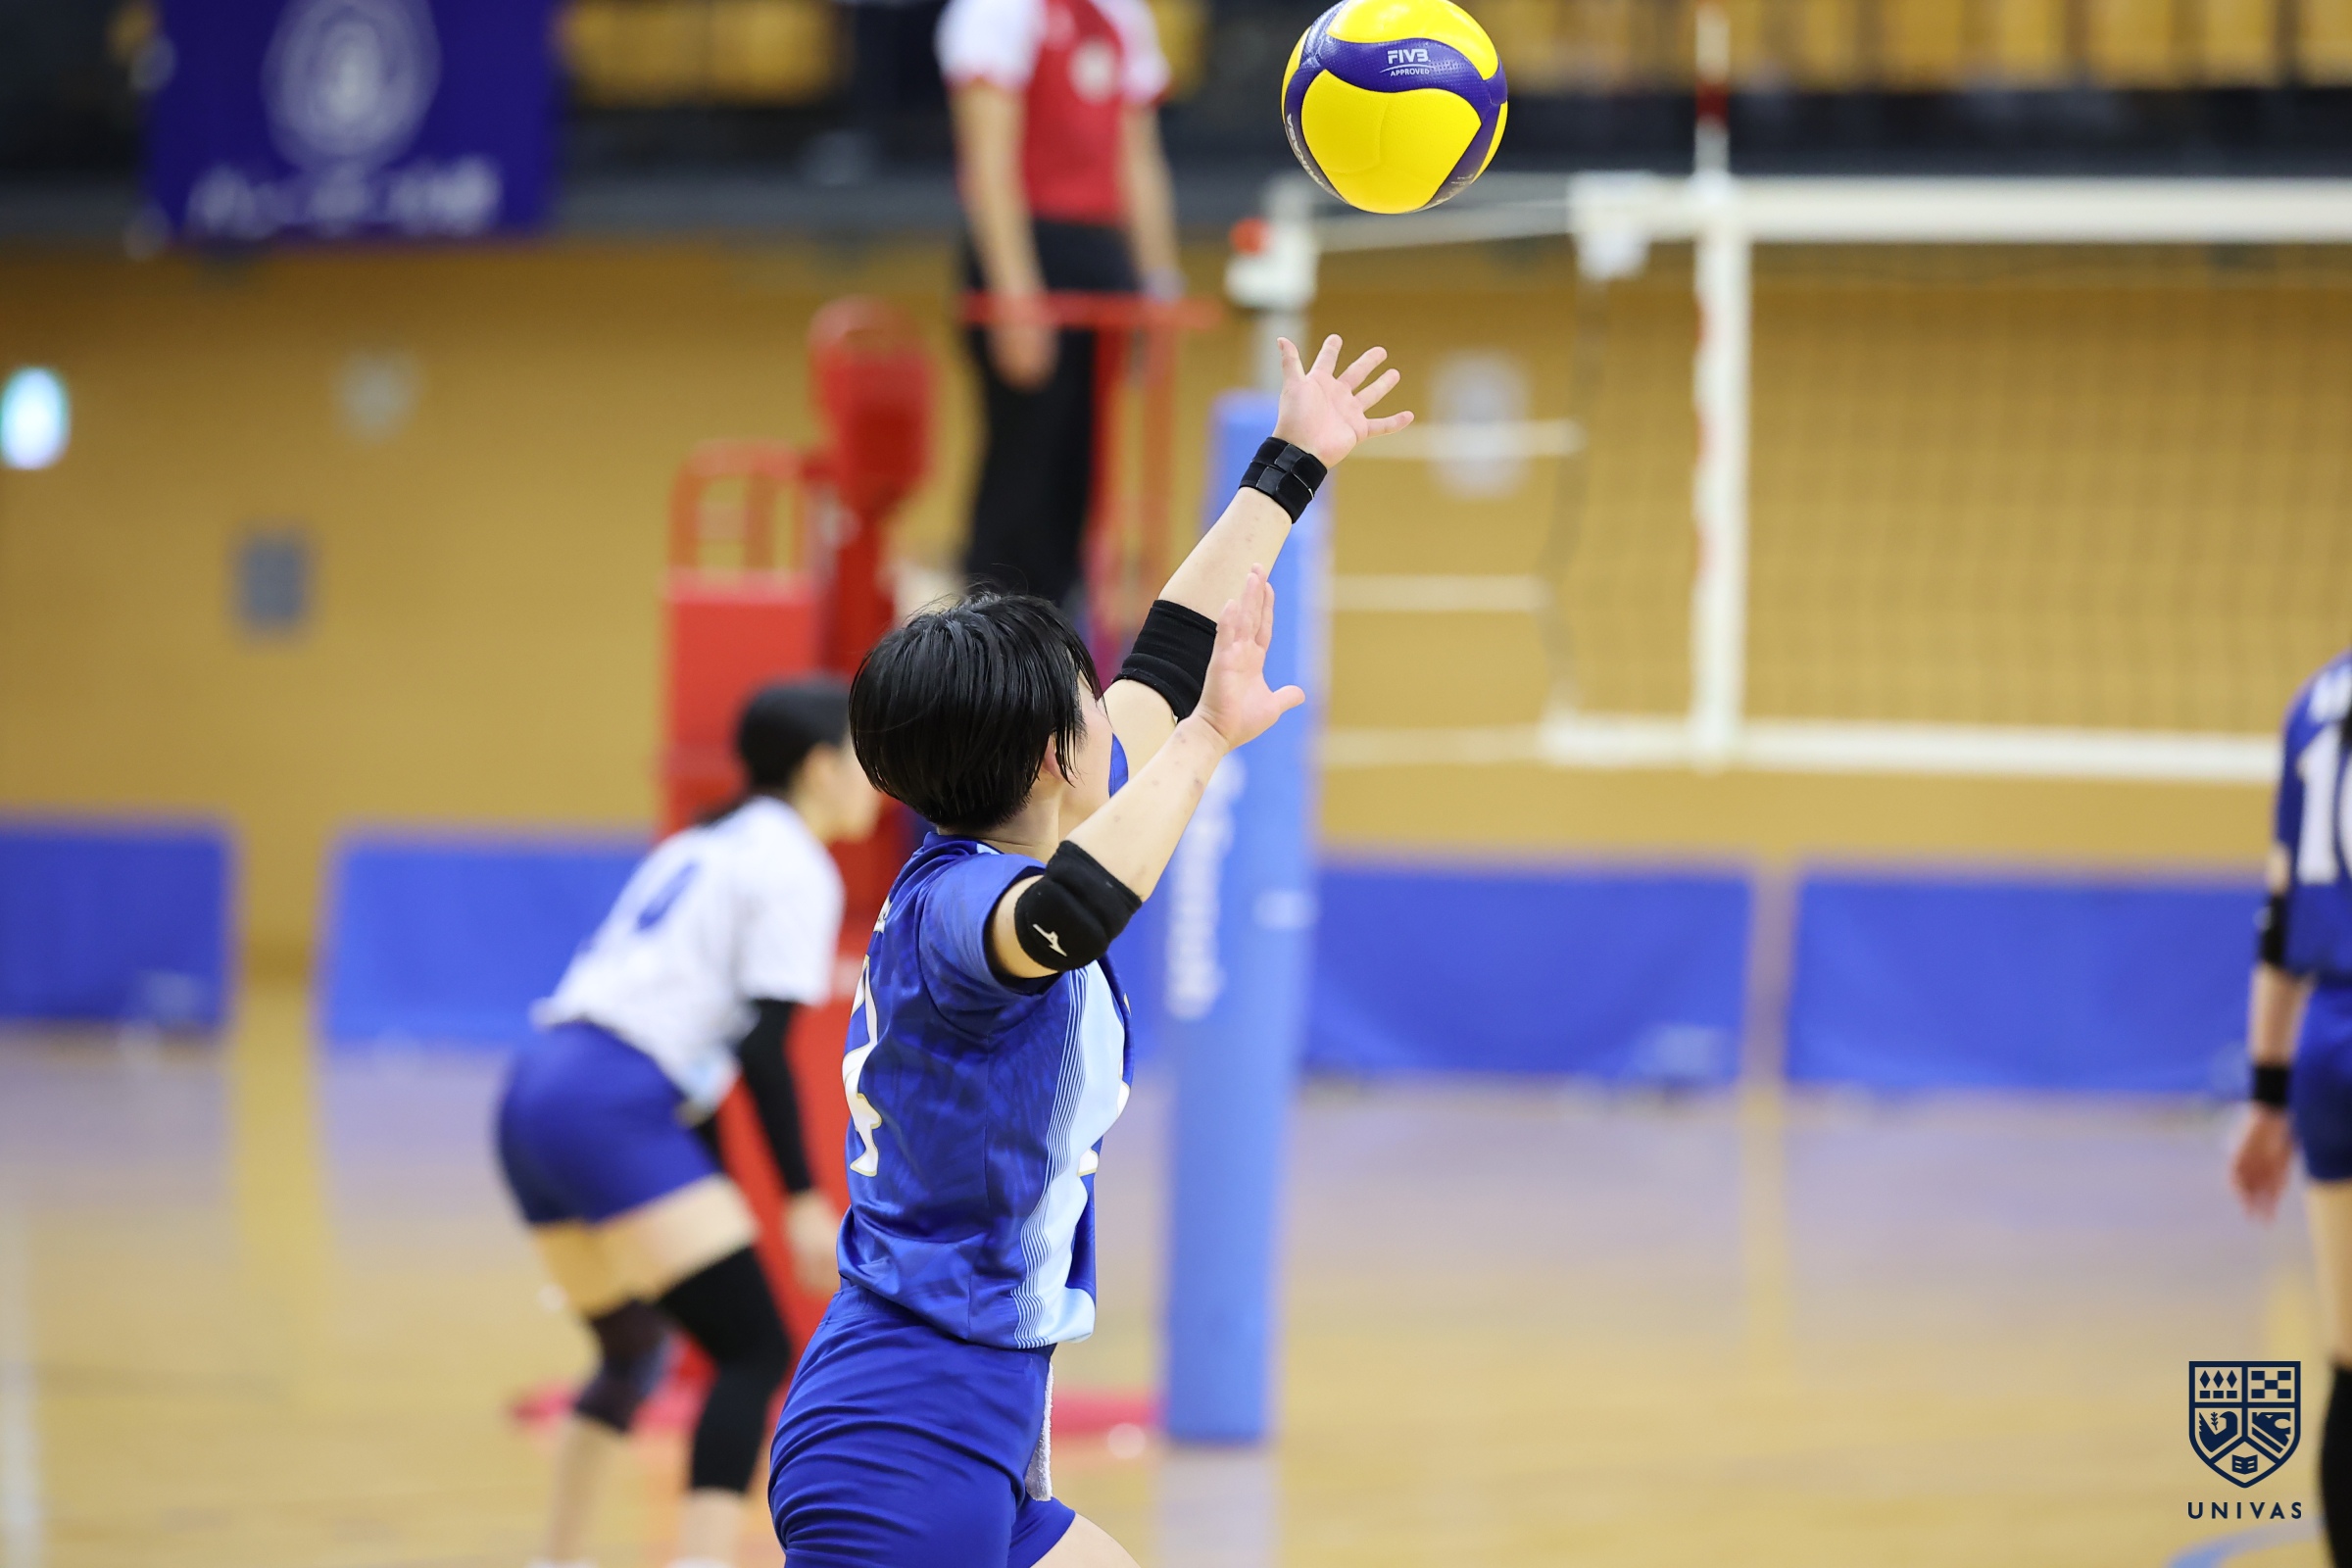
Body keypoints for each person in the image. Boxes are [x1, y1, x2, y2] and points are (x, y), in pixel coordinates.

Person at [767, 334, 1410, 1567]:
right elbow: (1070, 914)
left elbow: (1171, 646)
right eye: (1089, 700)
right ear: (1051, 760)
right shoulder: (964, 907)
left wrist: (1294, 462)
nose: (1119, 707)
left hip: (976, 1432)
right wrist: (1203, 747)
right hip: (900, 1441)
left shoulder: (1011, 833)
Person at [496, 678, 881, 1568]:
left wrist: (721, 1191)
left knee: (632, 1347)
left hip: (536, 1091)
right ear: (820, 768)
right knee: (755, 1349)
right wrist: (799, 1199)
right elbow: (761, 1050)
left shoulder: (699, 842)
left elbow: (703, 1064)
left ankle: (556, 1559)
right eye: (865, 759)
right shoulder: (796, 865)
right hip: (610, 1104)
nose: (879, 781)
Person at [937, 0, 1183, 612]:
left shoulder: (1121, 14)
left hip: (1100, 253)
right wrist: (1015, 294)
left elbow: (1137, 158)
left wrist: (1158, 284)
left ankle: (1058, 627)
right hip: (1029, 246)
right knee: (1025, 458)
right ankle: (992, 628)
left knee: (1086, 462)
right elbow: (989, 162)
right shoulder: (996, 12)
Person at [2231, 647, 2352, 1559]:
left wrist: (2267, 1099)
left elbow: (2280, 922)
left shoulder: (2316, 698)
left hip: (2331, 1050)